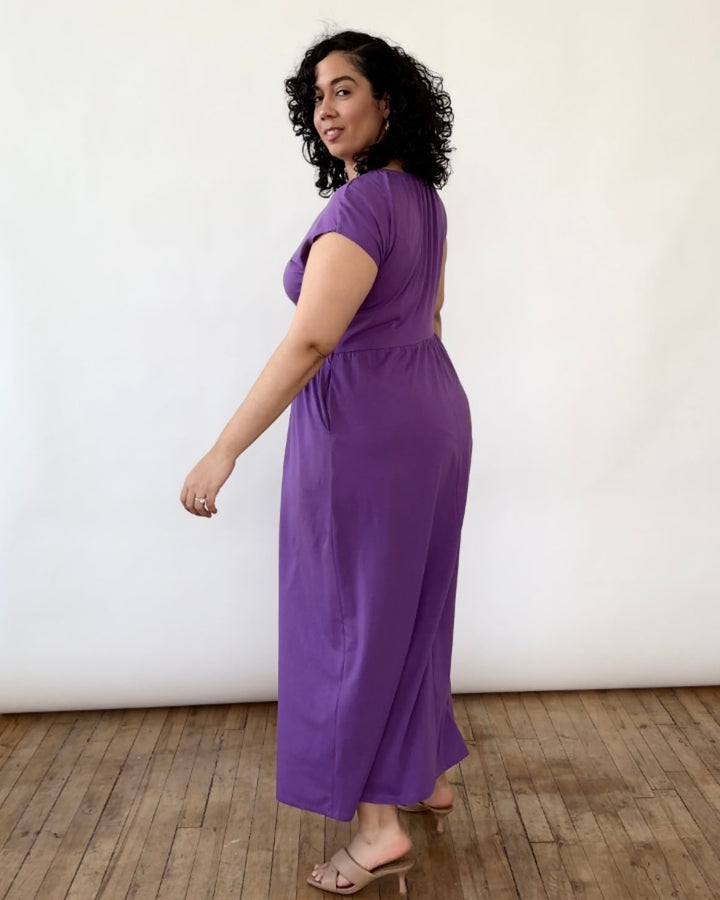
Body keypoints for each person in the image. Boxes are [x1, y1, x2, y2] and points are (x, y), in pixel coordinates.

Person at [180, 29, 472, 896]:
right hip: (432, 410)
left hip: (366, 431)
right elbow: (433, 314)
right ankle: (422, 775)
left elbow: (311, 340)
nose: (326, 110)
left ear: (388, 102)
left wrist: (224, 450)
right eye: (317, 97)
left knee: (351, 621)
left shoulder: (359, 209)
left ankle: (378, 830)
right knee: (412, 604)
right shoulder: (423, 201)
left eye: (344, 89)